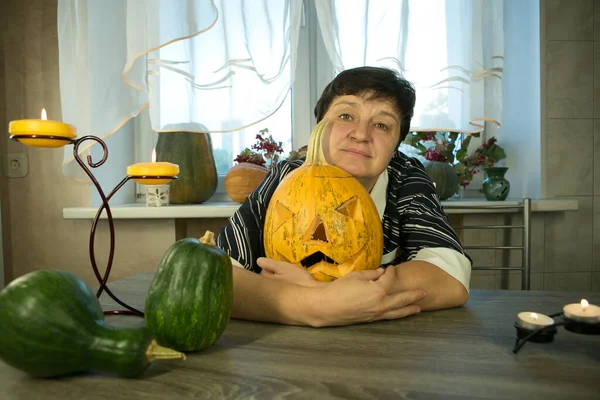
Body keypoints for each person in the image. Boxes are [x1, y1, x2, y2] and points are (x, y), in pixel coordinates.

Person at [216, 66, 471, 327]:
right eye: (346, 116)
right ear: (320, 128)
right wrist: (316, 305)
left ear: (395, 145)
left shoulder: (406, 178)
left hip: (384, 350)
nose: (361, 135)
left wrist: (330, 293)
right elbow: (217, 276)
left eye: (382, 125)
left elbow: (450, 277)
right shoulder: (285, 178)